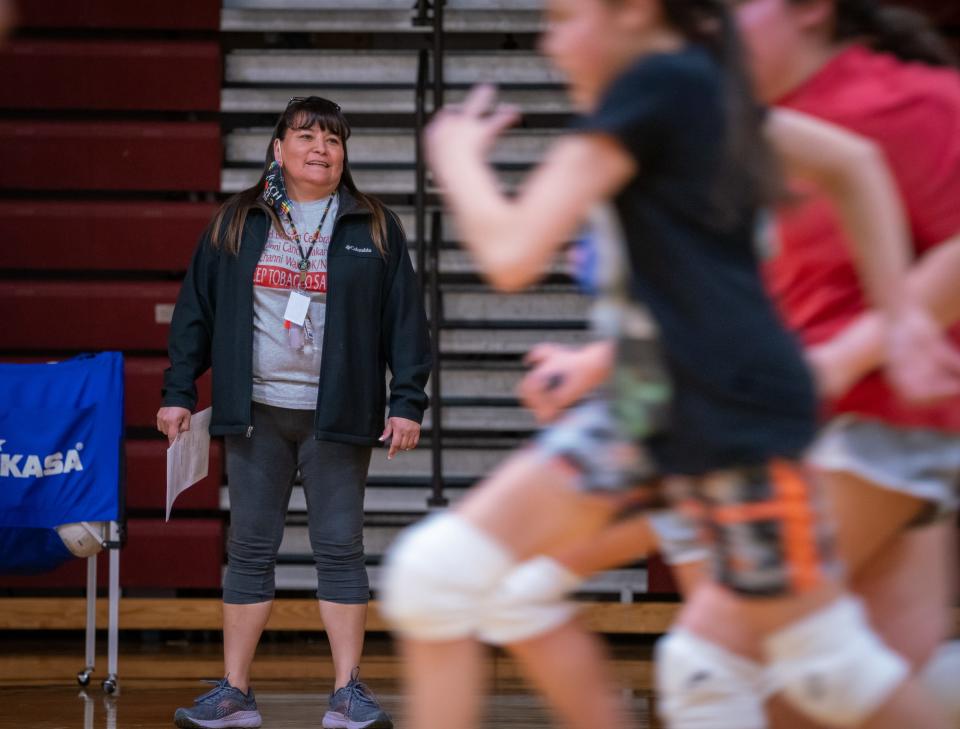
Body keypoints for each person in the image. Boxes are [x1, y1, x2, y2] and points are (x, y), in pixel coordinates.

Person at [379, 1, 952, 728]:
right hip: (663, 402)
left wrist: (456, 158)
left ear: (635, 12)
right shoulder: (702, 86)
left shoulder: (653, 90)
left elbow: (511, 252)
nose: (550, 42)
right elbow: (853, 165)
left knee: (811, 669)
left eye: (564, 17)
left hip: (730, 414)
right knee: (438, 577)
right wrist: (900, 314)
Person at [158, 96, 430, 729]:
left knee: (341, 548)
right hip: (256, 412)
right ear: (277, 149)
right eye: (306, 136)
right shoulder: (235, 222)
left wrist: (407, 403)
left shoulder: (376, 227)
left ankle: (348, 692)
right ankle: (233, 692)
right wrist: (177, 392)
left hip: (338, 416)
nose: (321, 149)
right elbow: (193, 313)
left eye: (334, 139)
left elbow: (408, 326)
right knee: (250, 549)